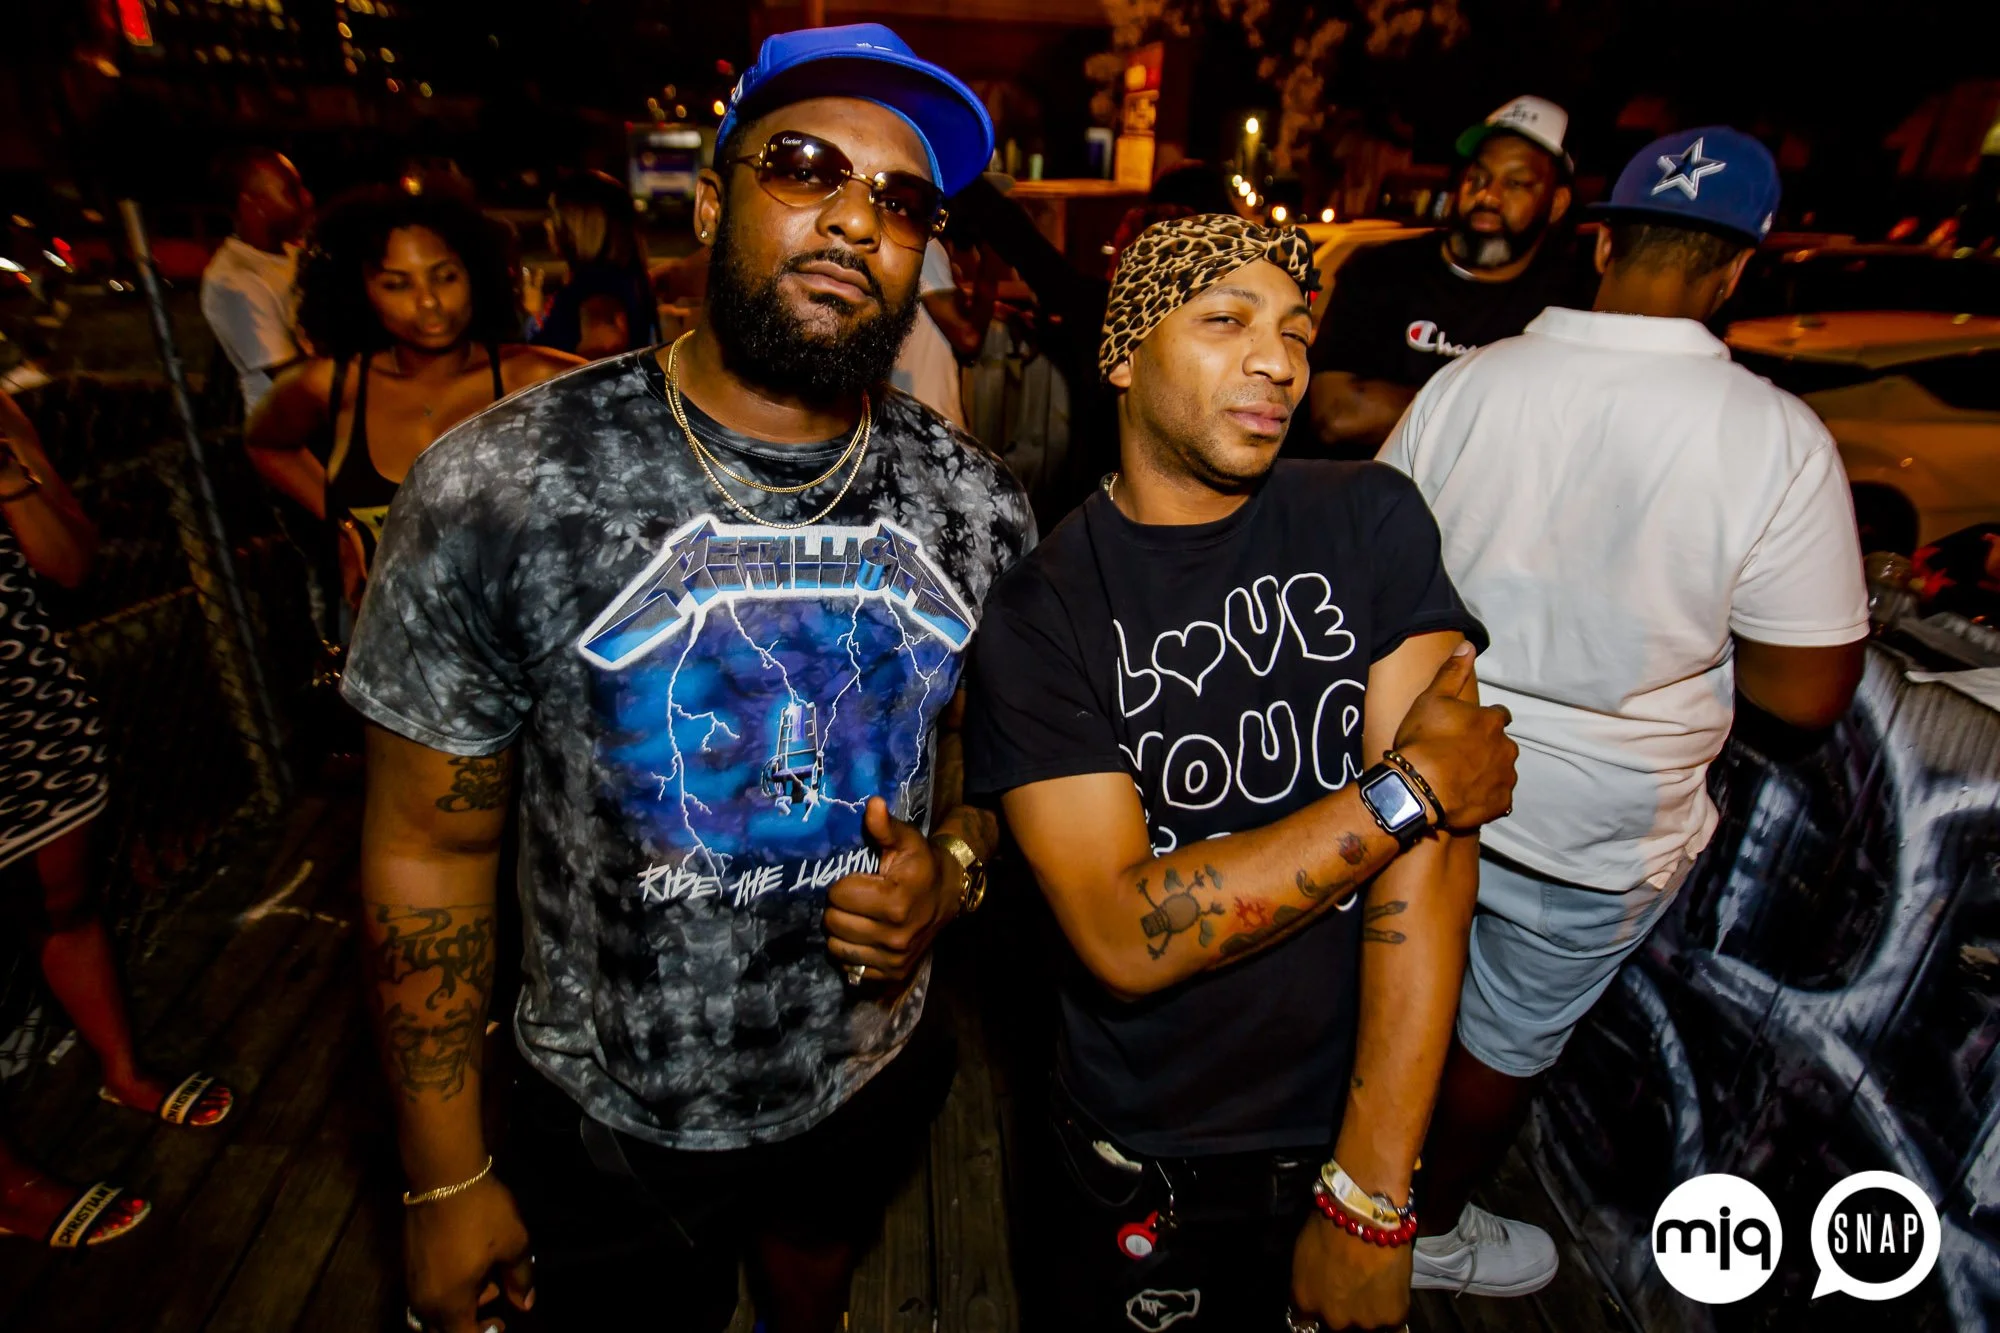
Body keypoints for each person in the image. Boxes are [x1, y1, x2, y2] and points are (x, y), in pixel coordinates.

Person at [339, 24, 1031, 1333]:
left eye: (900, 200)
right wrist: (443, 1179)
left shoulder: (975, 507)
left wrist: (952, 868)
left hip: (863, 1072)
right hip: (608, 1118)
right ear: (710, 203)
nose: (854, 219)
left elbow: (992, 765)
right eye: (806, 168)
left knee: (811, 1284)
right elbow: (427, 848)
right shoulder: (506, 484)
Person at [965, 215, 1519, 1331]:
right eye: (1226, 321)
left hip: (1350, 1124)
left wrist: (1369, 1192)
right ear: (1124, 355)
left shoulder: (1368, 515)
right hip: (1142, 1152)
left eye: (1296, 332)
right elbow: (1123, 932)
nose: (1279, 360)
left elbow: (1432, 871)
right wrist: (1403, 791)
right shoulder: (1040, 612)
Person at [1380, 127, 1869, 1296]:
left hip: (1424, 771)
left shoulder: (1470, 383)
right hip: (1595, 822)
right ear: (1734, 270)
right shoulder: (1775, 437)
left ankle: (1337, 1183)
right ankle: (1422, 1234)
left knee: (1385, 982)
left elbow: (1373, 569)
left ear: (1599, 244)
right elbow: (1803, 692)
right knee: (1503, 1036)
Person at [0, 390, 235, 1249]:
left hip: (27, 705)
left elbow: (70, 564)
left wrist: (5, 472)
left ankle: (122, 1071)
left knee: (64, 904)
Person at [243, 186, 580, 612]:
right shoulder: (333, 385)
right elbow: (266, 443)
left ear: (476, 273)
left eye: (445, 276)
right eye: (397, 284)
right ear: (359, 289)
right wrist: (344, 526)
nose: (429, 301)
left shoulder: (536, 377)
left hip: (525, 641)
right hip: (390, 641)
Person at [1306, 96, 1587, 457]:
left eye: (1516, 183)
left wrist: (1404, 401)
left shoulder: (1570, 307)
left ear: (1557, 203)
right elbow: (1339, 415)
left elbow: (1563, 438)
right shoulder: (1381, 270)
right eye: (1477, 177)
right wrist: (1501, 412)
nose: (1487, 196)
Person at [200, 149, 313, 413]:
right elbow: (289, 378)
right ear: (252, 204)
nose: (307, 199)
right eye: (291, 192)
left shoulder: (292, 254)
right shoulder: (233, 280)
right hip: (288, 427)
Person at [526, 169, 662, 359]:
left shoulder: (598, 297)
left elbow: (597, 368)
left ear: (579, 227)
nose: (547, 224)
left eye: (556, 216)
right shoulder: (617, 280)